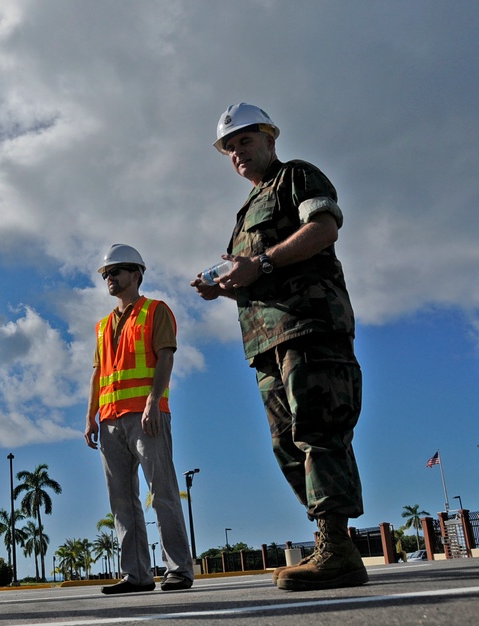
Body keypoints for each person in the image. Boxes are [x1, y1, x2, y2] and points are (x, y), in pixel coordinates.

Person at [192, 103, 366, 591]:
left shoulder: (298, 176)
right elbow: (252, 272)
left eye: (245, 140)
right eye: (229, 147)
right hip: (265, 342)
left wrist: (262, 263)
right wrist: (225, 284)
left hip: (309, 325)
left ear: (271, 139)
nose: (237, 152)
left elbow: (325, 227)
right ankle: (334, 545)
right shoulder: (245, 212)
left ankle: (335, 545)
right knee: (286, 443)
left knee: (319, 429)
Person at [85, 244, 195, 594]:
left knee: (161, 492)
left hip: (146, 416)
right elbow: (98, 373)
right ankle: (137, 575)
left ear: (136, 274)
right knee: (121, 500)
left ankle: (178, 569)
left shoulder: (155, 311)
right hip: (110, 420)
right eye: (106, 274)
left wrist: (152, 401)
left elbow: (165, 359)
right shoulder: (102, 326)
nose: (110, 279)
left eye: (116, 272)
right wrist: (91, 417)